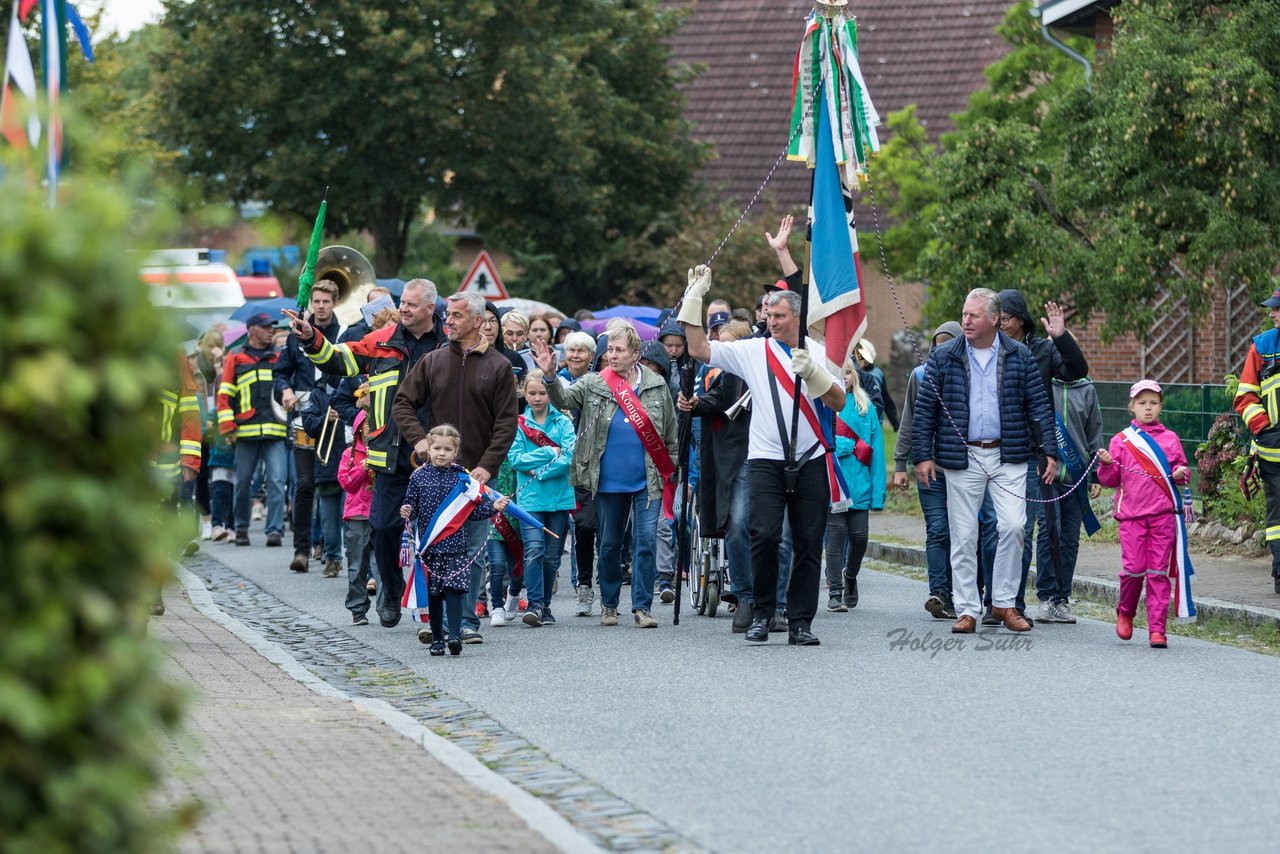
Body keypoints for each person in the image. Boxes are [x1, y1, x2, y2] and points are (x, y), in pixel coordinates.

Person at [680, 223, 847, 646]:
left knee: (809, 541)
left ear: (797, 316)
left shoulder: (818, 351)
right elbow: (700, 349)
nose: (770, 322)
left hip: (809, 457)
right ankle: (762, 611)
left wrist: (814, 375)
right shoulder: (753, 350)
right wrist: (693, 300)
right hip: (766, 459)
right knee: (765, 535)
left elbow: (839, 402)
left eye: (779, 316)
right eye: (767, 316)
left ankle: (801, 622)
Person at [284, 278, 447, 628]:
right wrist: (310, 336)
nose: (403, 308)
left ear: (430, 309)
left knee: (439, 533)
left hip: (436, 455)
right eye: (402, 302)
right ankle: (391, 589)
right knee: (384, 528)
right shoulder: (382, 341)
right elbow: (338, 359)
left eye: (412, 305)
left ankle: (441, 606)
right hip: (389, 453)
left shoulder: (448, 344)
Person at [911, 288, 1058, 634]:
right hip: (963, 456)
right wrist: (922, 456)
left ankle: (1004, 602)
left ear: (994, 319)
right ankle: (966, 609)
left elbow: (1039, 405)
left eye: (974, 315)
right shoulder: (944, 356)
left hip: (1009, 455)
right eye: (964, 314)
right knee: (964, 535)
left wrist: (1048, 450)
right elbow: (925, 409)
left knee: (1012, 526)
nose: (966, 321)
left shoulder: (1020, 355)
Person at [391, 290, 519, 644]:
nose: (447, 320)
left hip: (472, 480)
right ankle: (435, 621)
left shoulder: (499, 366)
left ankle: (465, 622)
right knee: (432, 550)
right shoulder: (432, 361)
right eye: (447, 314)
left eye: (457, 316)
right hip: (434, 480)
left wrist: (487, 467)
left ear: (477, 321)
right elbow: (402, 403)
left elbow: (507, 423)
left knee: (471, 553)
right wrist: (419, 440)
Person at [532, 320, 677, 629]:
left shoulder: (655, 384)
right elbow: (563, 401)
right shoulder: (596, 381)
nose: (612, 355)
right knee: (609, 544)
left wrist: (671, 469)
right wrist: (549, 376)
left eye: (619, 350)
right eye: (609, 349)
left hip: (648, 479)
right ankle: (609, 604)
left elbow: (670, 431)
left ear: (636, 353)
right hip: (608, 480)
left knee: (646, 542)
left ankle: (642, 607)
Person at [992, 289, 1089, 625]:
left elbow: (1075, 370)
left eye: (1005, 318)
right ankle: (1000, 601)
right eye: (997, 317)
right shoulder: (985, 350)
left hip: (1035, 453)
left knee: (1039, 528)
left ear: (1020, 320)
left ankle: (1037, 601)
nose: (1000, 324)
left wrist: (1061, 338)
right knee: (1001, 529)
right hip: (994, 451)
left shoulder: (1043, 350)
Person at [1096, 380, 1191, 648]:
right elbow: (1111, 479)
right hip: (1132, 516)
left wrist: (1182, 474)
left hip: (1163, 516)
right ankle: (1125, 612)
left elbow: (1181, 471)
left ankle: (1157, 629)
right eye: (1142, 403)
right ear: (1132, 407)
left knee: (1158, 572)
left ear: (1160, 406)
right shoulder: (1121, 441)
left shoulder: (1170, 439)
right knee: (1134, 570)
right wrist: (1105, 465)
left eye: (1153, 403)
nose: (1147, 408)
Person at [400, 425, 509, 656]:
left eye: (447, 449)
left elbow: (473, 511)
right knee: (435, 594)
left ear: (456, 451)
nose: (442, 453)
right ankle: (438, 639)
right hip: (431, 549)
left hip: (456, 547)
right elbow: (412, 507)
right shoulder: (418, 477)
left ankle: (455, 636)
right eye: (437, 448)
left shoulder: (463, 479)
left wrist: (493, 507)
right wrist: (406, 511)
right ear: (428, 450)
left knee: (455, 591)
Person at [678, 319, 755, 632]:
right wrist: (695, 402)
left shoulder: (761, 369)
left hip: (774, 458)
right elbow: (715, 399)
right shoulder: (725, 376)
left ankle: (776, 599)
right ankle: (745, 594)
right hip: (740, 461)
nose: (720, 350)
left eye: (727, 344)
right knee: (736, 525)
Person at [275, 279, 344, 573]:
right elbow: (280, 372)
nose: (320, 306)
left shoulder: (343, 334)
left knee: (331, 485)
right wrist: (285, 389)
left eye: (326, 301)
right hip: (303, 420)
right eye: (316, 301)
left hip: (334, 421)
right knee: (305, 485)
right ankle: (301, 550)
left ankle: (328, 547)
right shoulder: (295, 336)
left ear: (334, 303)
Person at [894, 321, 962, 619]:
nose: (941, 350)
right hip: (929, 467)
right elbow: (908, 421)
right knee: (937, 529)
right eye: (937, 344)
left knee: (965, 532)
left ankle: (967, 592)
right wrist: (900, 464)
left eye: (948, 344)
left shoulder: (970, 376)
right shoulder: (921, 376)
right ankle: (939, 593)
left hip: (964, 469)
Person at [508, 371, 576, 626]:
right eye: (532, 393)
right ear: (524, 394)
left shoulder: (564, 422)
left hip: (558, 497)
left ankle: (545, 605)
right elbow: (516, 459)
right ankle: (535, 604)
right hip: (530, 499)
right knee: (534, 550)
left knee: (551, 556)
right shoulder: (517, 424)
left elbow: (569, 456)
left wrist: (539, 472)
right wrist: (550, 451)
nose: (537, 398)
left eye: (543, 393)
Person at [1035, 372, 1104, 623]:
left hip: (1076, 474)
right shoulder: (1044, 382)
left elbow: (1094, 430)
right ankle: (1044, 596)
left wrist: (1096, 474)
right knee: (1048, 531)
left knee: (1069, 538)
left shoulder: (1087, 390)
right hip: (1046, 473)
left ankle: (1061, 599)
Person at [218, 312, 288, 548]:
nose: (271, 331)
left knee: (278, 481)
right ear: (252, 330)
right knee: (242, 483)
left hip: (275, 431)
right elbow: (225, 395)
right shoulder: (236, 356)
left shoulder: (279, 356)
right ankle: (240, 528)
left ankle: (275, 531)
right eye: (266, 327)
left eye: (272, 327)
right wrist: (227, 427)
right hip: (245, 432)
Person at [826, 358, 886, 612]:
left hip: (860, 483)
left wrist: (878, 492)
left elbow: (878, 451)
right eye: (840, 374)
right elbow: (823, 441)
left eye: (848, 373)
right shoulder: (824, 404)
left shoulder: (866, 406)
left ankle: (850, 576)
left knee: (860, 538)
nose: (845, 378)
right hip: (834, 484)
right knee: (836, 537)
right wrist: (846, 445)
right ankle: (835, 592)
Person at [1233, 285, 1280, 595]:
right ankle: (1279, 570)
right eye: (1272, 308)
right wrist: (1263, 428)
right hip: (1273, 448)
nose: (1272, 313)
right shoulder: (1262, 346)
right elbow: (1245, 395)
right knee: (1277, 513)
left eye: (1277, 309)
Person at [558, 330, 599, 615]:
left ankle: (583, 584)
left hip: (587, 463)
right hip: (555, 465)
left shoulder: (600, 384)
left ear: (592, 357)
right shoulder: (554, 381)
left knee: (584, 526)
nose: (575, 356)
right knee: (558, 529)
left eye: (581, 351)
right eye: (571, 350)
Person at [300, 383, 347, 578]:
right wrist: (324, 419)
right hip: (327, 466)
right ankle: (332, 558)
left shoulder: (358, 386)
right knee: (328, 519)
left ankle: (358, 562)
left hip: (354, 466)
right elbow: (308, 425)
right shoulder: (317, 394)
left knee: (353, 520)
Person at [338, 411, 375, 625]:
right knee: (357, 565)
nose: (370, 429)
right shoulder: (349, 454)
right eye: (367, 425)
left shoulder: (386, 449)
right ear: (359, 428)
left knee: (383, 564)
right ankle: (358, 608)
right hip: (358, 514)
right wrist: (362, 470)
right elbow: (347, 484)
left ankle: (386, 606)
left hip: (379, 512)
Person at [854, 339, 899, 431]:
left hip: (875, 420)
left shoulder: (877, 373)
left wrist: (895, 424)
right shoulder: (852, 373)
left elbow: (886, 399)